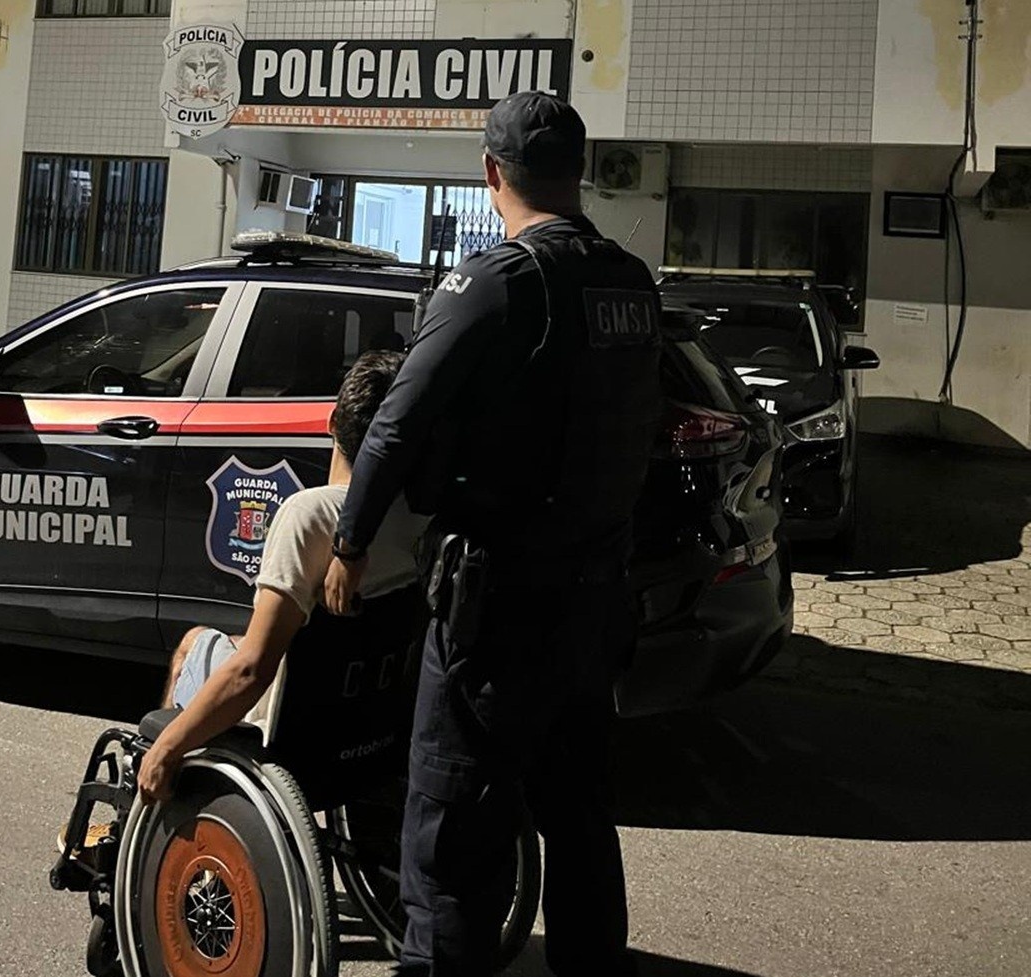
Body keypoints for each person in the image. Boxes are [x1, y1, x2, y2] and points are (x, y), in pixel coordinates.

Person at [323, 91, 664, 976]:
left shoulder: (495, 283)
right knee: (581, 823)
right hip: (594, 609)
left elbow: (394, 425)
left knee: (450, 841)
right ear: (579, 173)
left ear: (491, 174)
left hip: (500, 616)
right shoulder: (631, 282)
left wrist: (349, 545)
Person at [137, 349, 424, 803]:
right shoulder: (418, 513)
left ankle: (165, 807)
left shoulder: (310, 515)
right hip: (370, 732)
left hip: (296, 738)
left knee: (197, 643)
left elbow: (252, 670)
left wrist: (166, 749)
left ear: (332, 424)